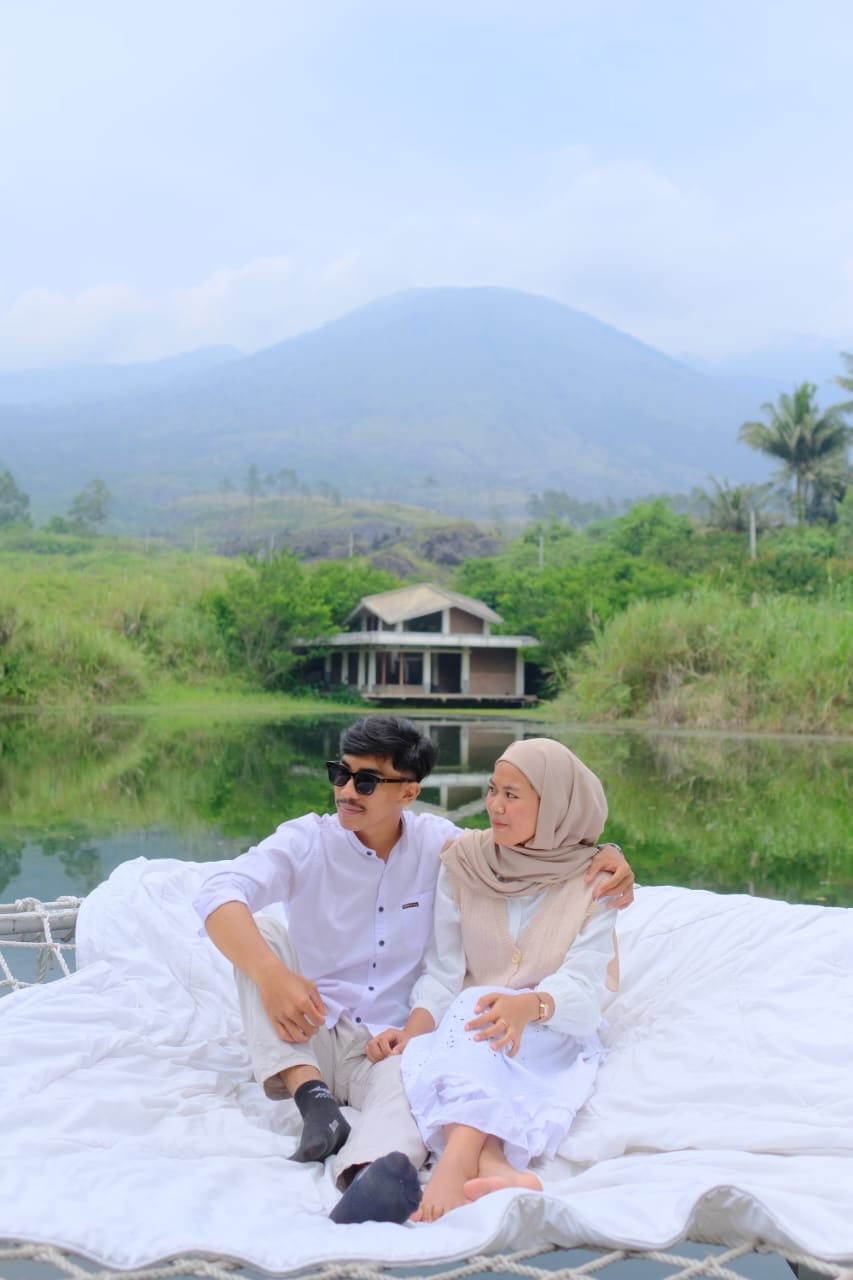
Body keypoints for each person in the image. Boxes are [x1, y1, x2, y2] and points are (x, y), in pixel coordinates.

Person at [193, 716, 634, 1225]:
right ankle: (314, 1101)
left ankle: (367, 1179)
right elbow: (217, 893)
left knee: (408, 1101)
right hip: (307, 1024)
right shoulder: (307, 840)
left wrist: (608, 854)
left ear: (409, 792)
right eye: (341, 773)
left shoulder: (444, 848)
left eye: (366, 781)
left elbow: (531, 846)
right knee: (262, 936)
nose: (346, 791)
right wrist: (272, 976)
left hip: (387, 1042)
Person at [367, 737, 618, 1222]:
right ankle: (495, 1164)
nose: (494, 806)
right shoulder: (464, 862)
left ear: (555, 806)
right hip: (474, 1025)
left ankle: (456, 1161)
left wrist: (530, 1006)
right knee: (477, 1006)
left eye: (512, 795)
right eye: (492, 789)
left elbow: (586, 992)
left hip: (551, 1030)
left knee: (481, 1007)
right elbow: (444, 971)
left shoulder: (597, 882)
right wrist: (413, 1031)